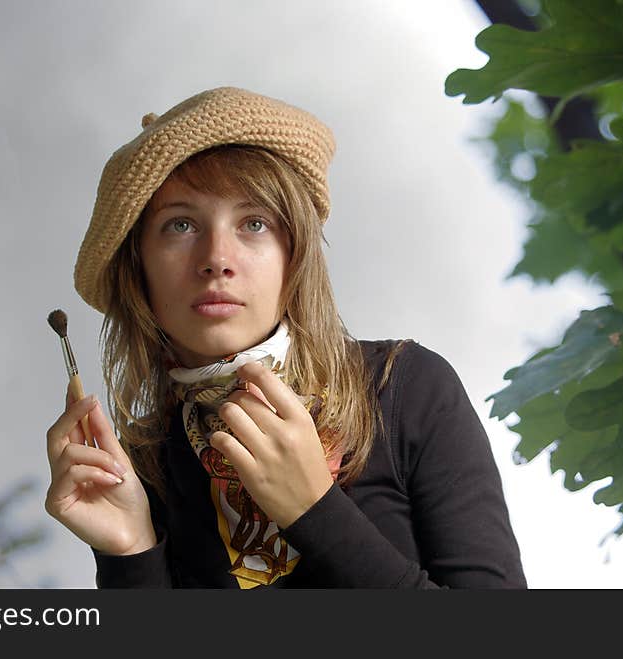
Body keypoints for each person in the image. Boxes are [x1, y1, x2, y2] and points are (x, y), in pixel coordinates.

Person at [45, 86, 527, 588]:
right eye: (180, 224)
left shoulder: (404, 387)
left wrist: (314, 510)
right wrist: (130, 553)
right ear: (138, 268)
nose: (216, 258)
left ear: (294, 256)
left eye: (254, 223)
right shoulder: (141, 472)